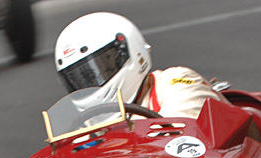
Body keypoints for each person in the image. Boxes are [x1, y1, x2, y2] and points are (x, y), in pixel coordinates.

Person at [53, 12, 227, 119]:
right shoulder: (88, 125)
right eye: (79, 77)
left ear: (130, 51)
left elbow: (181, 134)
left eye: (102, 67)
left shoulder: (175, 83)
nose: (90, 81)